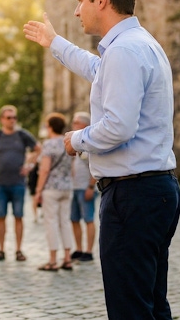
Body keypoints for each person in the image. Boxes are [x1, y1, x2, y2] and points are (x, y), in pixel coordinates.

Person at [23, 0, 180, 319]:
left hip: (133, 194)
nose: (76, 10)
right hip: (154, 190)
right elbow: (96, 70)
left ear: (102, 0)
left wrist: (75, 140)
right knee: (152, 304)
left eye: (80, 1)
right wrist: (55, 42)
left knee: (130, 308)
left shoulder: (125, 51)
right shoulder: (137, 45)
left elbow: (117, 127)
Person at [0, 105, 40, 262]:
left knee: (18, 216)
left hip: (18, 183)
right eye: (9, 117)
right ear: (1, 119)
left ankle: (19, 250)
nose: (12, 120)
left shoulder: (22, 135)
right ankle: (1, 250)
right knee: (1, 217)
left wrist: (29, 166)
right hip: (0, 184)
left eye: (14, 117)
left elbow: (38, 149)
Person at [34, 112, 74, 271]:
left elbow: (44, 170)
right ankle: (67, 257)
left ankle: (52, 260)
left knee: (51, 222)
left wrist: (38, 190)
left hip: (51, 188)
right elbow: (72, 169)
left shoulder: (49, 144)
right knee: (65, 222)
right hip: (67, 186)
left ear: (49, 127)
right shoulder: (68, 142)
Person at [69, 112, 97, 262]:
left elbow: (95, 167)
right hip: (74, 187)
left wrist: (91, 187)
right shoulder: (76, 143)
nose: (73, 125)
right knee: (74, 219)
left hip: (86, 187)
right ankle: (79, 248)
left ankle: (88, 251)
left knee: (88, 219)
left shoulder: (89, 144)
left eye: (76, 122)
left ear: (85, 125)